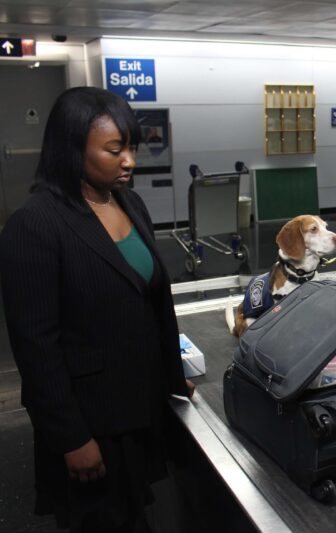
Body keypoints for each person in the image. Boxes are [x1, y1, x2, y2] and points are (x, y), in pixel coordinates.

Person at [0, 87, 194, 532]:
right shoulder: (35, 225)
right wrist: (71, 437)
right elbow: (36, 347)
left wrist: (168, 372)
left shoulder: (130, 203)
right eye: (114, 150)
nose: (129, 161)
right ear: (71, 150)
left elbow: (151, 302)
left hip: (139, 407)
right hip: (92, 423)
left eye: (131, 148)